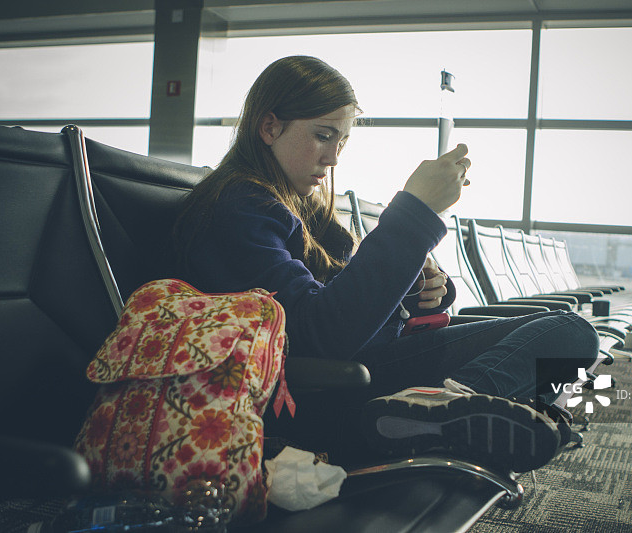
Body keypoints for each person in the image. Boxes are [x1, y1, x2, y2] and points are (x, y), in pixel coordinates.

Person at [173, 55, 599, 473]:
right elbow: (317, 335)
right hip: (328, 397)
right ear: (269, 126)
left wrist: (417, 291)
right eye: (323, 136)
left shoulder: (300, 208)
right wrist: (414, 214)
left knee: (567, 330)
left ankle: (441, 413)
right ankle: (446, 414)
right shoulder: (241, 206)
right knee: (568, 332)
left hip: (368, 372)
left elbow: (346, 302)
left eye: (341, 142)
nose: (333, 158)